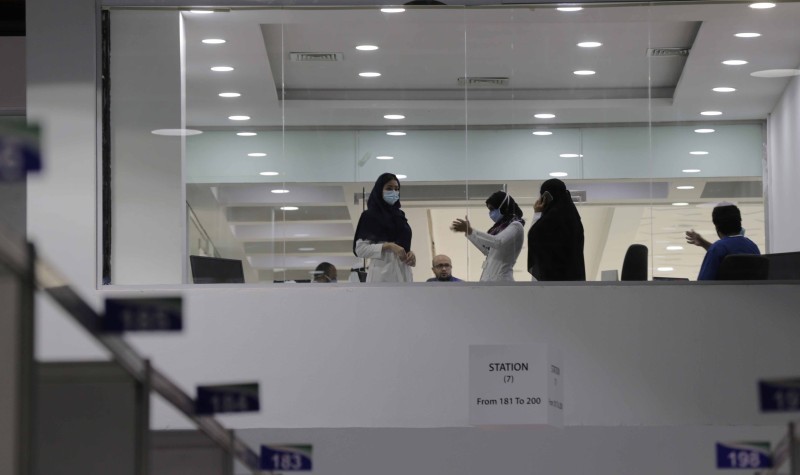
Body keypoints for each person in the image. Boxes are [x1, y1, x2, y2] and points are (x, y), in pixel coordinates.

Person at [353, 173, 416, 282]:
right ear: (379, 190)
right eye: (389, 188)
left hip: (404, 272)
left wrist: (410, 254)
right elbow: (360, 249)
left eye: (396, 189)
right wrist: (389, 246)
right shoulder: (369, 215)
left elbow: (403, 246)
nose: (394, 192)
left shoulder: (400, 216)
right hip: (382, 274)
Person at [450, 191, 525, 282]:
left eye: (492, 209)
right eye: (489, 210)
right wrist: (469, 232)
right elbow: (487, 250)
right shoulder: (499, 228)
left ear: (503, 207)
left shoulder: (516, 226)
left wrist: (471, 230)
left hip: (502, 281)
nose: (490, 213)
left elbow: (498, 242)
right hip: (490, 280)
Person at [527, 178, 585, 281]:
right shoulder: (574, 218)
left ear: (546, 197)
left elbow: (533, 236)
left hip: (553, 281)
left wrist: (537, 213)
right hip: (574, 279)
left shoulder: (551, 219)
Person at [685, 203, 760, 280]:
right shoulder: (752, 246)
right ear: (739, 223)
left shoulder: (717, 248)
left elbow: (703, 283)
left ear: (717, 227)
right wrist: (704, 243)